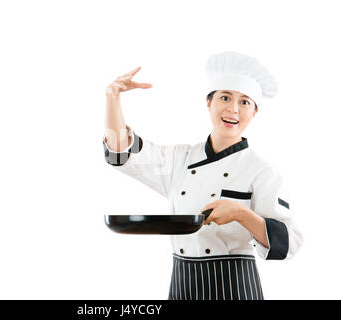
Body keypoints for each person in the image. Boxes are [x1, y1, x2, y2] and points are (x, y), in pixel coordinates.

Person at [102, 51, 303, 300]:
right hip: (182, 283)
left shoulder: (261, 171)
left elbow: (289, 243)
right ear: (209, 102)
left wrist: (241, 213)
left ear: (254, 112)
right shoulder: (180, 159)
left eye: (244, 102)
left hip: (236, 286)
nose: (233, 110)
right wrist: (112, 99)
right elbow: (121, 153)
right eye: (225, 97)